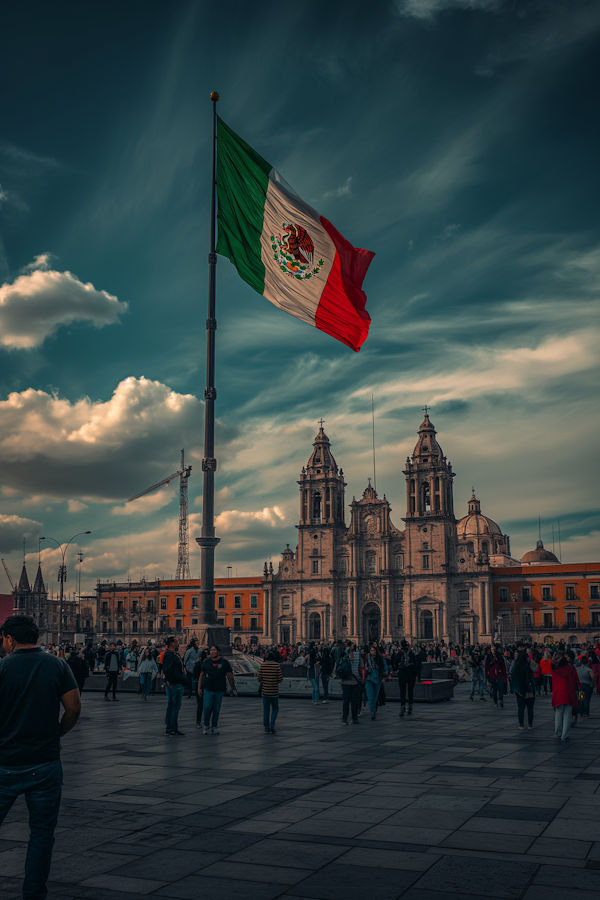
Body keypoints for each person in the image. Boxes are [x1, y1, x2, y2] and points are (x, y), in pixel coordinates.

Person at [0, 615, 80, 900]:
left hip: (5, 763)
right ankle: (34, 894)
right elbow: (73, 708)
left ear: (9, 639)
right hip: (45, 764)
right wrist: (56, 735)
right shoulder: (58, 665)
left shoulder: (2, 668)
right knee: (42, 835)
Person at [199, 645, 236, 735]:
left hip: (219, 689)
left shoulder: (224, 662)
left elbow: (229, 675)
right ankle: (206, 725)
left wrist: (232, 687)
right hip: (208, 688)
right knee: (207, 707)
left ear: (218, 651)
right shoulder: (206, 661)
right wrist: (199, 687)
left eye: (214, 650)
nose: (212, 652)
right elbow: (201, 675)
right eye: (211, 650)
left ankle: (214, 726)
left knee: (216, 709)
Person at [552, 648, 580, 741]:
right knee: (568, 713)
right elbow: (575, 680)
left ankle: (558, 732)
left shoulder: (554, 667)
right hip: (569, 691)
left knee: (558, 713)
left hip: (558, 691)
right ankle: (565, 734)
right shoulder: (570, 667)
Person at [162, 636, 187, 736]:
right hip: (175, 684)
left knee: (171, 706)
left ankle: (170, 727)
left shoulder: (171, 654)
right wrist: (172, 682)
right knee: (174, 707)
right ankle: (172, 728)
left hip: (174, 683)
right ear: (172, 644)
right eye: (176, 642)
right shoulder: (169, 655)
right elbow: (168, 670)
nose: (178, 643)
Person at [257, 651, 283, 733]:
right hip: (274, 692)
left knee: (266, 710)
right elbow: (280, 679)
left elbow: (259, 678)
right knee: (275, 708)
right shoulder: (276, 666)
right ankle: (272, 724)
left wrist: (264, 681)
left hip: (265, 691)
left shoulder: (262, 665)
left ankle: (266, 728)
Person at [511, 646, 536, 729]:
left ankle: (521, 724)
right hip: (529, 690)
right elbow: (535, 670)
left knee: (521, 708)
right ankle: (530, 724)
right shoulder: (528, 667)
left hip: (519, 691)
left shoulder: (516, 668)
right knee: (530, 708)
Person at [393, 639, 417, 717]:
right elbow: (416, 663)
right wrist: (416, 674)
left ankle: (403, 707)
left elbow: (395, 663)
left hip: (402, 674)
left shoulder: (399, 653)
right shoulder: (411, 653)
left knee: (402, 692)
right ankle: (410, 706)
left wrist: (396, 669)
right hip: (411, 674)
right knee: (410, 691)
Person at [339, 642, 361, 725]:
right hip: (355, 680)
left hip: (345, 680)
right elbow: (362, 666)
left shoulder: (343, 655)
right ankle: (354, 718)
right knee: (354, 700)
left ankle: (345, 717)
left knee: (346, 700)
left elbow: (337, 667)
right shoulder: (358, 655)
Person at [364, 645, 388, 720]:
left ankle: (373, 710)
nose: (372, 652)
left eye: (374, 650)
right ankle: (372, 712)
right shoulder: (367, 659)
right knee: (371, 696)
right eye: (371, 650)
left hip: (378, 679)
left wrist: (384, 674)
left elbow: (385, 668)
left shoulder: (380, 659)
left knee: (375, 696)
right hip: (369, 679)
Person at [192, 649, 209, 728]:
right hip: (202, 686)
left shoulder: (199, 662)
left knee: (201, 705)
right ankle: (201, 721)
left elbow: (194, 674)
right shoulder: (201, 663)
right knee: (203, 705)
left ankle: (199, 721)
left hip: (203, 686)